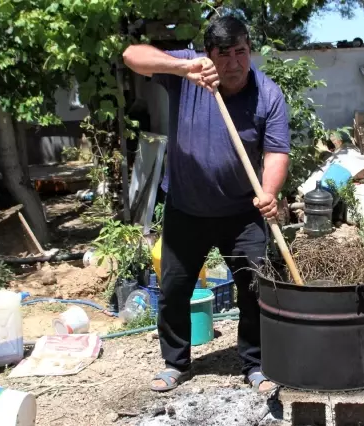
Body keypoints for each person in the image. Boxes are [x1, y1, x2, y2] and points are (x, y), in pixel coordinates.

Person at [122, 16, 290, 393]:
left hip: (242, 213)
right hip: (186, 209)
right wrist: (184, 68)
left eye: (241, 52)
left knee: (254, 289)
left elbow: (277, 151)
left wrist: (268, 191)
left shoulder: (268, 95)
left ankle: (255, 364)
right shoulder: (189, 72)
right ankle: (175, 363)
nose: (233, 63)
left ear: (250, 50)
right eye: (223, 55)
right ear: (208, 55)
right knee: (175, 289)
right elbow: (132, 55)